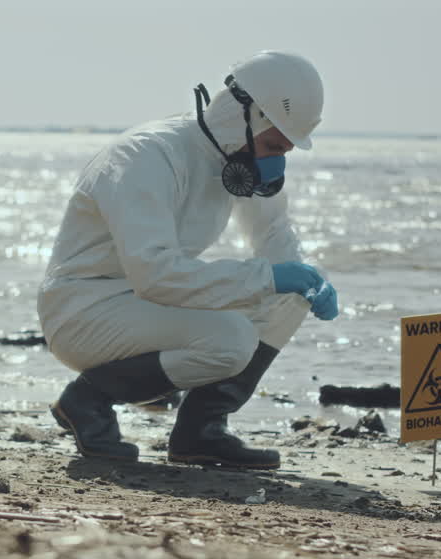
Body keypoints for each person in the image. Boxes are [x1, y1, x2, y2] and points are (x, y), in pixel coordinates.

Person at [37, 50, 338, 470]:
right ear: (242, 115)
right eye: (273, 145)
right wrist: (268, 277)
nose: (275, 161)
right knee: (230, 339)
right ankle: (88, 400)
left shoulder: (236, 158)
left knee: (295, 289)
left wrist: (307, 282)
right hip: (84, 310)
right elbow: (156, 274)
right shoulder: (146, 158)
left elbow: (274, 238)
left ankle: (201, 431)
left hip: (146, 304)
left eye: (285, 150)